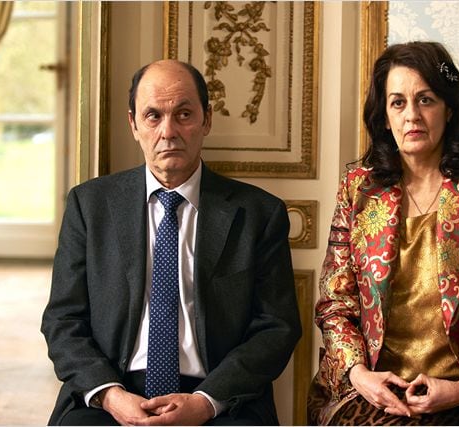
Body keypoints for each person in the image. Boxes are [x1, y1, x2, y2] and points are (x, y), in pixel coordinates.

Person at [41, 59, 302, 426]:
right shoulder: (89, 205)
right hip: (112, 391)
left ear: (207, 120)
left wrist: (206, 402)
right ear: (133, 124)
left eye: (183, 114)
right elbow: (62, 320)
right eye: (153, 116)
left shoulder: (259, 213)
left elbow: (276, 326)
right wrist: (111, 396)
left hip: (219, 397)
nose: (168, 131)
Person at [307, 41, 459, 426]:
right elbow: (334, 303)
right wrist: (359, 376)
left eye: (425, 100)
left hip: (458, 389)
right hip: (371, 385)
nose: (412, 115)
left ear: (449, 109)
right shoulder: (358, 190)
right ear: (384, 117)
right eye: (398, 103)